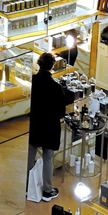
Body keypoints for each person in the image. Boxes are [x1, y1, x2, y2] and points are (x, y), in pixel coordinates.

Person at [26, 52, 76, 202]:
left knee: (30, 154)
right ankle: (47, 190)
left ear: (39, 64)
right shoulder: (55, 87)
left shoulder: (32, 81)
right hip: (49, 127)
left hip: (35, 124)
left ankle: (26, 185)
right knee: (48, 158)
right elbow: (61, 111)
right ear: (52, 66)